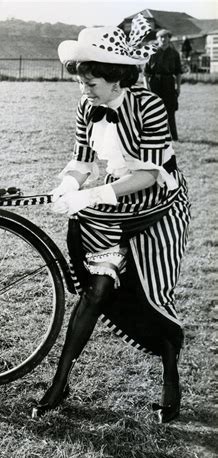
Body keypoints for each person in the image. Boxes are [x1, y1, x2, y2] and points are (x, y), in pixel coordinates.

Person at [31, 14, 190, 424]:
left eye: (91, 83)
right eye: (82, 81)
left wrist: (94, 194)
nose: (84, 89)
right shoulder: (88, 106)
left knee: (154, 293)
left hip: (160, 207)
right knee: (97, 289)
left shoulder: (150, 105)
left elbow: (149, 174)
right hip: (118, 204)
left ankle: (170, 380)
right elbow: (83, 160)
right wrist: (67, 185)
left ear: (116, 77)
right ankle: (60, 381)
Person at [143, 29, 182, 141]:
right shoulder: (152, 53)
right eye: (161, 37)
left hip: (169, 83)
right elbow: (145, 73)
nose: (163, 39)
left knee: (170, 110)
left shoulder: (174, 54)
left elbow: (178, 72)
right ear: (157, 39)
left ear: (169, 39)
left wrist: (178, 87)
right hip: (155, 83)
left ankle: (173, 136)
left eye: (166, 37)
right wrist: (147, 88)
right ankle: (154, 135)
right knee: (154, 110)